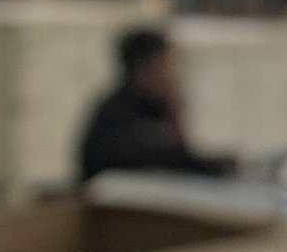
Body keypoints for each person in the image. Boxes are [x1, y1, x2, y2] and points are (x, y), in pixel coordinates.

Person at [76, 27, 235, 187]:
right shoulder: (118, 116)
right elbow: (167, 160)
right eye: (164, 67)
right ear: (141, 70)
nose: (173, 77)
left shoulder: (156, 107)